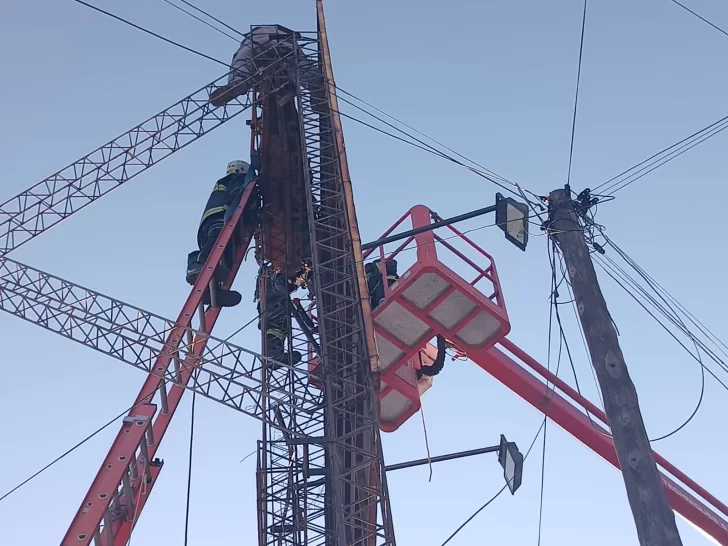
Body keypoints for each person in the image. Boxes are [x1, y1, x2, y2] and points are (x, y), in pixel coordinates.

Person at [186, 160, 253, 307]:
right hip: (221, 217)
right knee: (216, 245)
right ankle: (195, 263)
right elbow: (239, 195)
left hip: (214, 220)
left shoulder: (223, 181)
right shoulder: (236, 179)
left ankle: (212, 291)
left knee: (225, 258)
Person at [210, 25, 296, 107]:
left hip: (252, 45)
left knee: (241, 64)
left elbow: (243, 64)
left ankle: (238, 83)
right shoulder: (280, 32)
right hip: (285, 41)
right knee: (299, 65)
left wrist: (254, 82)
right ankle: (309, 84)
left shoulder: (250, 38)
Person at [255, 264, 311, 367]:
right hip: (273, 312)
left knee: (282, 294)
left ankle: (272, 360)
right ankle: (272, 360)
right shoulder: (274, 281)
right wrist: (298, 307)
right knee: (282, 295)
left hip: (271, 311)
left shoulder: (274, 283)